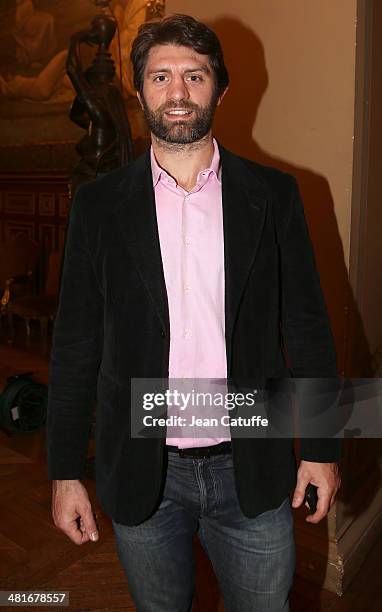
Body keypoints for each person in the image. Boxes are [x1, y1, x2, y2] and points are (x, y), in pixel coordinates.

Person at [47, 14, 341, 612]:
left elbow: (308, 328)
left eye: (194, 76)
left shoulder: (275, 194)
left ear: (220, 89)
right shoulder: (98, 207)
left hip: (250, 467)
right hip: (141, 472)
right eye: (161, 76)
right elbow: (75, 345)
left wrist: (322, 447)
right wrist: (64, 471)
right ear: (139, 90)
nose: (177, 93)